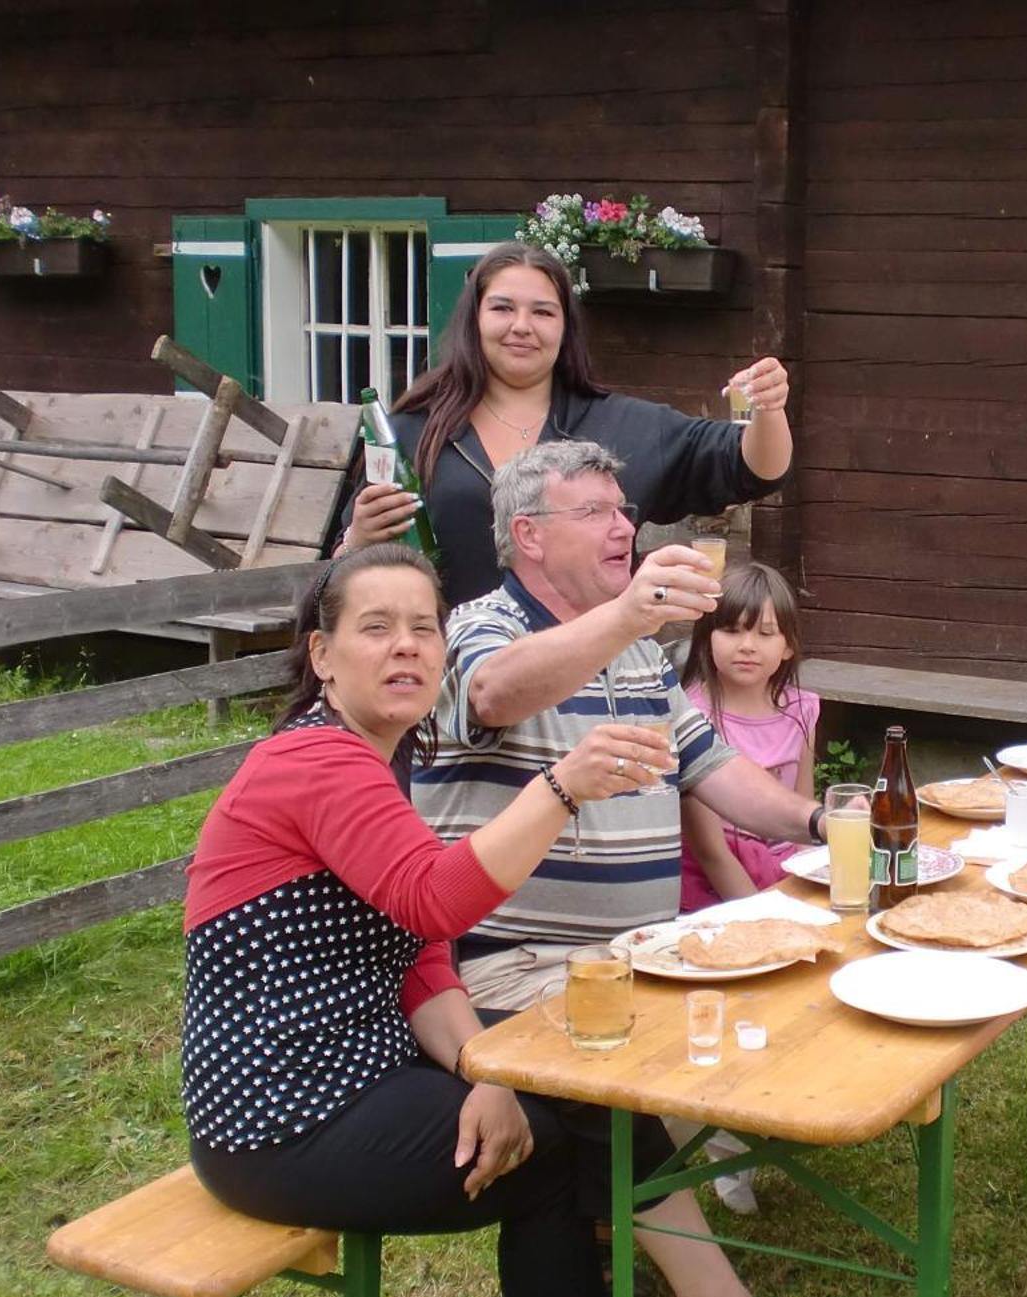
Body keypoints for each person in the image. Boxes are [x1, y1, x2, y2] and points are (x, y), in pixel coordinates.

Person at [181, 544, 828, 1297]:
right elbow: (438, 902)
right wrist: (561, 788)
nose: (407, 647)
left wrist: (482, 1072)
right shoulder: (314, 762)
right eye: (376, 628)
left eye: (422, 628)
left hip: (358, 1076)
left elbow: (419, 954)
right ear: (320, 655)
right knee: (551, 1143)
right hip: (277, 1116)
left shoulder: (380, 762)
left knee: (555, 1100)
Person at [413, 439, 830, 1012]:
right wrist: (628, 614)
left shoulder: (638, 653)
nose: (624, 530)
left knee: (802, 1007)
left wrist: (822, 822)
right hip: (518, 964)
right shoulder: (479, 624)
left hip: (644, 953)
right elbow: (492, 694)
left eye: (622, 512)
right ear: (528, 534)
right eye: (594, 513)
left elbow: (717, 769)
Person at [336, 241, 793, 607]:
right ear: (473, 320)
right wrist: (356, 540)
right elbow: (345, 571)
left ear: (565, 327)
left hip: (586, 684)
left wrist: (769, 409)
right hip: (448, 680)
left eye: (542, 311)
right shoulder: (413, 432)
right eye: (502, 308)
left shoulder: (621, 424)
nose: (521, 326)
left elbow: (753, 469)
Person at [678, 561, 820, 912]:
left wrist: (813, 894)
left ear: (788, 646)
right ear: (706, 638)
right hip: (717, 889)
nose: (747, 646)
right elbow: (711, 852)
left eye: (765, 633)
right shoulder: (690, 716)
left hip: (786, 871)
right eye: (731, 630)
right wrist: (763, 918)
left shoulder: (803, 710)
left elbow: (804, 817)